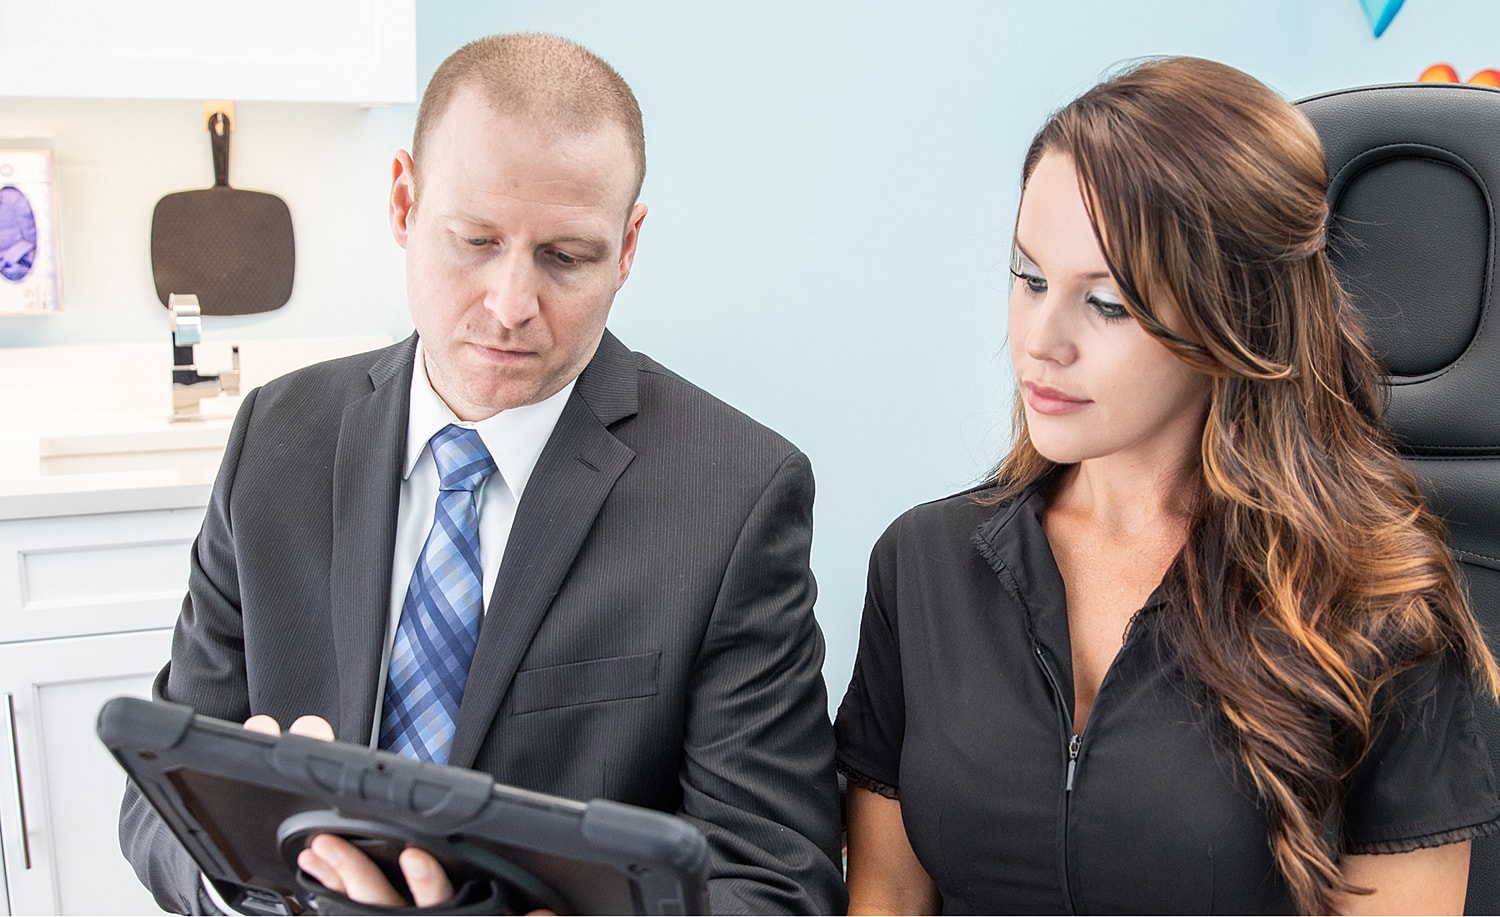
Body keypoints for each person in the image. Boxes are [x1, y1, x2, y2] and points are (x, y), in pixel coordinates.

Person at [120, 32, 846, 915]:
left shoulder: (737, 494)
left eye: (566, 258)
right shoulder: (276, 437)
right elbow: (163, 801)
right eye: (474, 239)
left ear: (627, 248)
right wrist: (272, 888)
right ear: (403, 202)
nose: (510, 306)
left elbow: (776, 882)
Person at [835, 56, 1500, 915]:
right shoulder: (923, 564)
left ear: (1237, 316)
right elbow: (884, 897)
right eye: (1030, 278)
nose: (1042, 341)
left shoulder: (1374, 606)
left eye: (1106, 304)